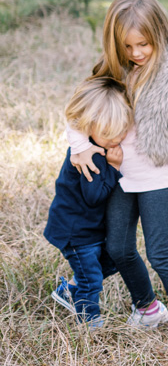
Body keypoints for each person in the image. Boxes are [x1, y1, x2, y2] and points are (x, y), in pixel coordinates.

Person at [64, 0, 168, 345]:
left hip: (158, 177)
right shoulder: (114, 68)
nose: (136, 54)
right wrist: (82, 147)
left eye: (143, 45)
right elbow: (77, 112)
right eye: (127, 47)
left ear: (159, 35)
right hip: (120, 175)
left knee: (160, 252)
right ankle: (148, 309)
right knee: (118, 248)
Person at [46, 77, 133, 326]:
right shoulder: (88, 156)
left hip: (89, 229)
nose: (115, 138)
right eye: (108, 134)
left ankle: (67, 290)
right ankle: (89, 322)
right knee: (91, 280)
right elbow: (94, 197)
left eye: (121, 131)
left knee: (111, 260)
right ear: (89, 127)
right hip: (76, 232)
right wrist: (114, 167)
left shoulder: (101, 144)